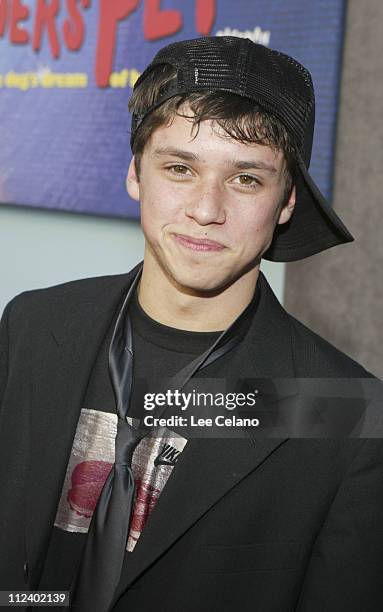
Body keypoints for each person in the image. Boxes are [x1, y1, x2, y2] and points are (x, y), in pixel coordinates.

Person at [0, 36, 382, 612]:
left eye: (246, 179)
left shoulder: (343, 409)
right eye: (180, 167)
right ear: (136, 174)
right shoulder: (32, 324)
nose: (206, 209)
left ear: (286, 203)